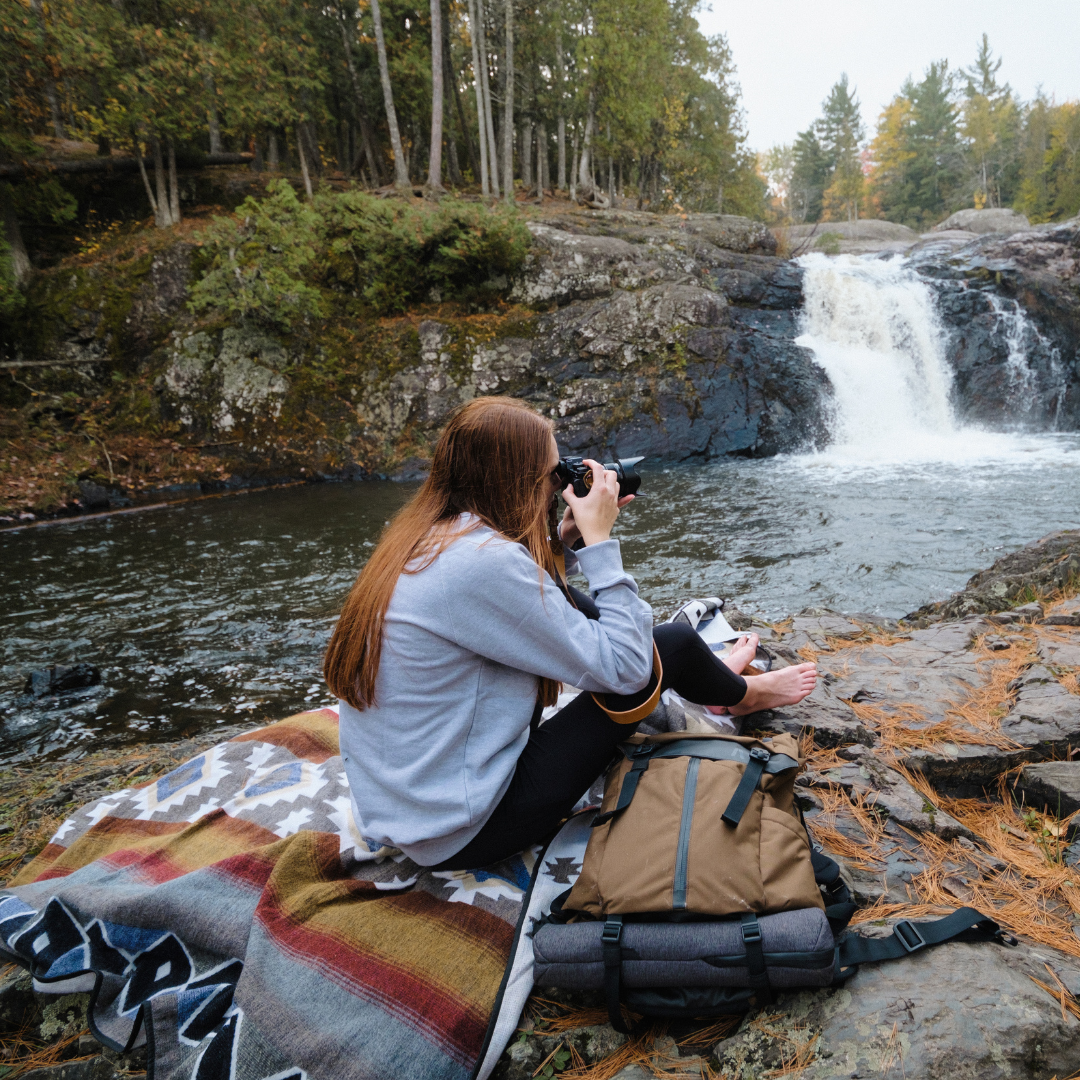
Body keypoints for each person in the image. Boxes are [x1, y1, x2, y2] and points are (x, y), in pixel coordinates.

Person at [324, 397, 817, 870]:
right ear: (516, 482)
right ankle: (740, 696)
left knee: (586, 609)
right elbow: (628, 670)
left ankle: (712, 682)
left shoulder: (427, 535)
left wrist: (564, 541)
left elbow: (524, 595)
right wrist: (600, 540)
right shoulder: (481, 564)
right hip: (468, 828)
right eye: (552, 475)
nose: (558, 485)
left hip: (414, 806)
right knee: (669, 647)